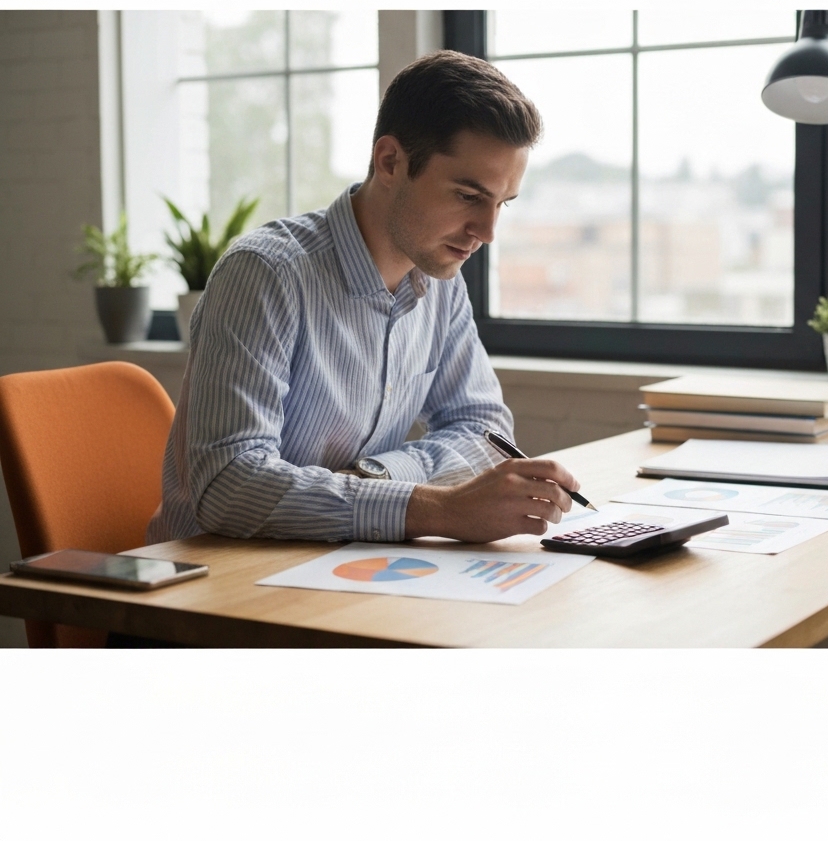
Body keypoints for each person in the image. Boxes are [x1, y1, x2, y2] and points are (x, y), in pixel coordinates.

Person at [147, 50, 581, 547]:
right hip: (213, 581)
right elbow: (228, 485)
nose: (487, 231)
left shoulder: (441, 282)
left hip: (346, 567)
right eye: (468, 196)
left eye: (502, 203)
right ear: (390, 161)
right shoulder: (265, 274)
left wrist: (377, 475)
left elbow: (484, 432)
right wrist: (436, 509)